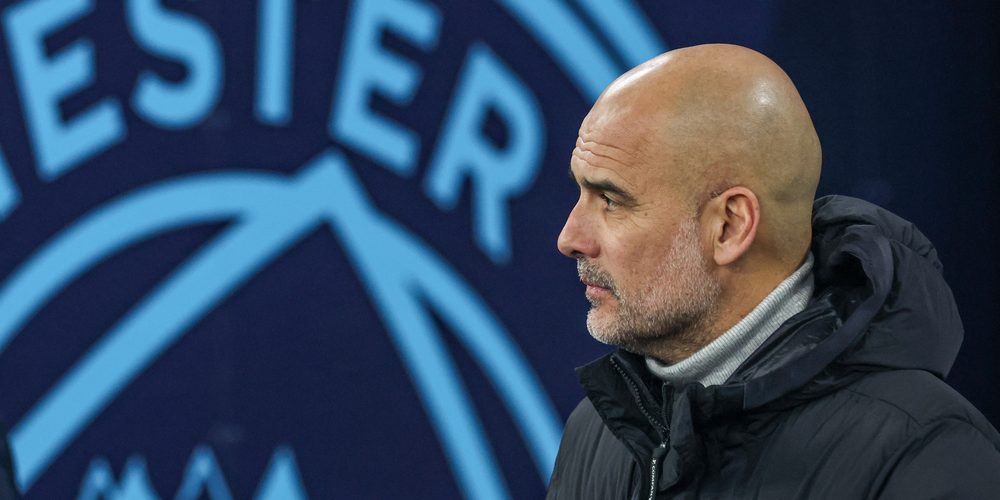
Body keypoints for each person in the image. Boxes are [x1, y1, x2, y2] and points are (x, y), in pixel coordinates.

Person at [546, 43, 1000, 499]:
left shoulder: (926, 453)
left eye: (611, 200)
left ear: (730, 227)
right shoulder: (596, 432)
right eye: (580, 193)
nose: (569, 238)